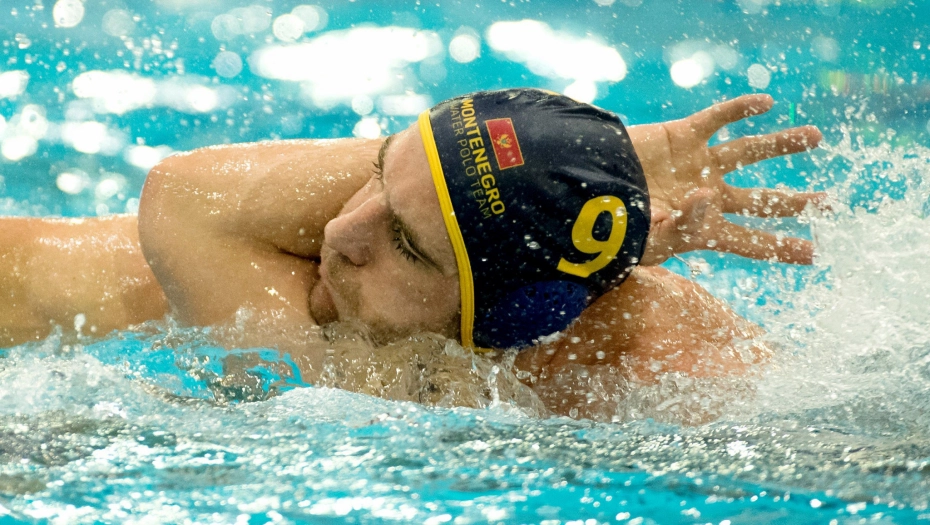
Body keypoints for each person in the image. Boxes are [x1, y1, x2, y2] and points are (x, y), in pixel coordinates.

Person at [0, 89, 822, 418]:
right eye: (375, 174)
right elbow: (181, 197)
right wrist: (575, 159)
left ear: (510, 320)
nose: (339, 232)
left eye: (406, 243)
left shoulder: (660, 363)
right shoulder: (284, 305)